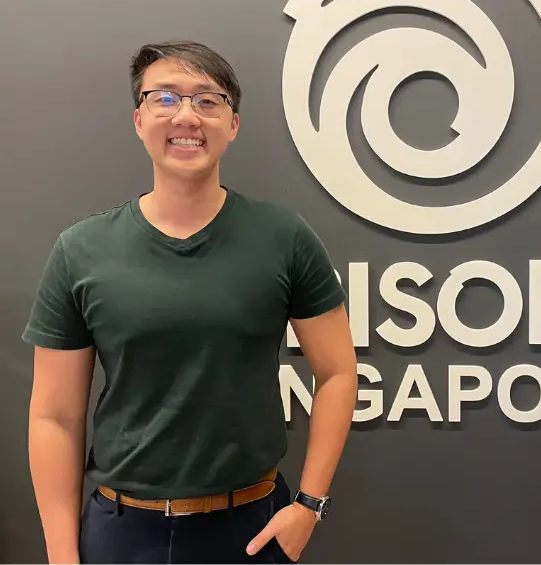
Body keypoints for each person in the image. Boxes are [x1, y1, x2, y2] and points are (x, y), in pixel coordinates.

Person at [22, 40, 358, 564]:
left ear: (233, 124)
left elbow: (338, 372)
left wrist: (308, 506)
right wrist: (62, 555)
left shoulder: (284, 237)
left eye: (208, 100)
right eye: (166, 98)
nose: (187, 116)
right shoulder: (80, 251)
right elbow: (55, 418)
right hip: (121, 533)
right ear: (139, 119)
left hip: (251, 529)